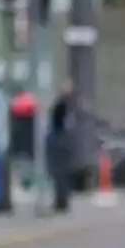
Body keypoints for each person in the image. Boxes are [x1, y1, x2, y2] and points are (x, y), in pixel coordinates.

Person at [47, 79, 76, 212]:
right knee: (62, 173)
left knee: (59, 173)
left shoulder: (61, 105)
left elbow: (57, 124)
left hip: (59, 140)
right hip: (65, 141)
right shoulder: (70, 106)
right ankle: (62, 200)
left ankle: (61, 201)